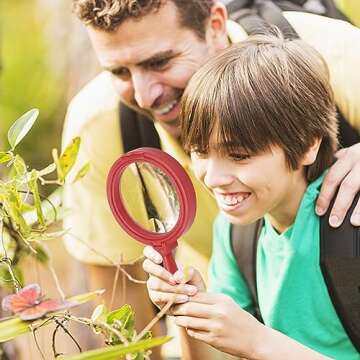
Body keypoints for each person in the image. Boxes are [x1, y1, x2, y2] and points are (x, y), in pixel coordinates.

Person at [62, 0, 360, 356]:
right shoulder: (235, 235)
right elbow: (121, 300)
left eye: (160, 62)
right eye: (119, 73)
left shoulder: (336, 55)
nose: (144, 95)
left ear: (215, 25)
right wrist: (193, 302)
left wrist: (257, 340)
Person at [143, 33, 360, 359]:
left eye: (240, 155)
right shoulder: (236, 231)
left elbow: (254, 344)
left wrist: (258, 341)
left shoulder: (352, 223)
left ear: (307, 145)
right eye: (200, 151)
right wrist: (188, 307)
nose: (213, 178)